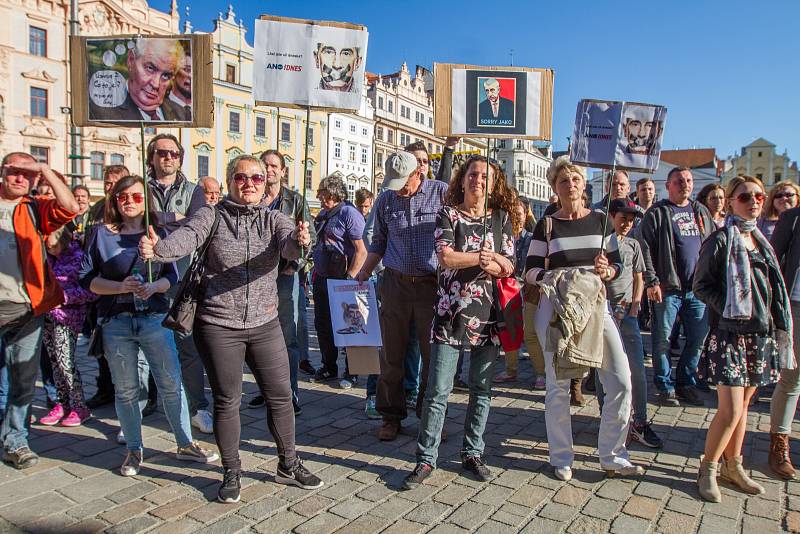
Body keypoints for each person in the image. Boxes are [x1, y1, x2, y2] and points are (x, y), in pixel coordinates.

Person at [140, 154, 321, 503]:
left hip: (265, 322)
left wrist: (301, 240)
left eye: (256, 178)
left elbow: (289, 246)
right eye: (242, 178)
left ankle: (288, 463)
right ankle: (232, 469)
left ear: (264, 182)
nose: (249, 183)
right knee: (228, 401)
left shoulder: (275, 218)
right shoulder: (212, 215)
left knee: (281, 396)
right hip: (219, 324)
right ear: (231, 182)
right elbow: (187, 237)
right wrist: (158, 249)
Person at [80, 175, 217, 476]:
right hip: (117, 321)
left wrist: (155, 287)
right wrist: (121, 287)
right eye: (123, 197)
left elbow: (172, 276)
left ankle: (185, 443)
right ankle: (133, 449)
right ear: (114, 201)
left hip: (154, 318)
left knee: (171, 383)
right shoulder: (100, 234)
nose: (129, 202)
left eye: (137, 196)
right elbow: (87, 280)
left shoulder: (156, 233)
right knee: (127, 389)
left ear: (146, 201)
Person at [526, 156, 643, 481]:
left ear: (583, 184)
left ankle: (613, 454)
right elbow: (531, 269)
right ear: (555, 187)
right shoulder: (547, 224)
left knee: (619, 378)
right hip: (556, 308)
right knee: (558, 385)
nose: (571, 184)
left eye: (576, 179)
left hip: (594, 305)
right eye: (564, 181)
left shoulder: (602, 221)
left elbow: (618, 264)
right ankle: (561, 456)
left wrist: (610, 269)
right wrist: (551, 278)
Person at [403, 156, 517, 489]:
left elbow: (510, 266)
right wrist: (483, 259)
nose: (478, 180)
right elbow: (445, 256)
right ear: (462, 179)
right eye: (473, 174)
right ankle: (426, 458)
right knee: (438, 391)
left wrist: (494, 261)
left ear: (493, 184)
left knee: (481, 390)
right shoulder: (448, 214)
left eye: (485, 176)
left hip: (488, 317)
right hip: (449, 315)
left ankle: (473, 452)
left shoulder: (501, 219)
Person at [693, 175, 791, 502]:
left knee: (745, 406)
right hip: (730, 335)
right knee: (731, 410)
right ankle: (707, 468)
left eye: (758, 197)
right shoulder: (720, 240)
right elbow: (701, 286)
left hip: (760, 336)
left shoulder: (761, 240)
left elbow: (773, 288)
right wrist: (734, 309)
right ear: (732, 201)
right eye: (745, 197)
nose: (753, 202)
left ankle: (733, 466)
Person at [355, 150, 449, 441]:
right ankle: (390, 416)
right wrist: (361, 274)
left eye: (402, 182)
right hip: (394, 284)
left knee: (432, 355)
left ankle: (429, 418)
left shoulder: (441, 193)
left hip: (429, 286)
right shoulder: (386, 199)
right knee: (390, 355)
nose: (398, 189)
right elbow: (378, 243)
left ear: (418, 172)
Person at [0, 152, 78, 469]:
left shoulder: (33, 209)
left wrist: (45, 170)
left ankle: (15, 441)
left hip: (25, 310)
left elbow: (70, 208)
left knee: (21, 380)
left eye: (27, 173)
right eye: (13, 171)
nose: (20, 178)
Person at [146, 134, 212, 435]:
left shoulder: (193, 190)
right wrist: (176, 219)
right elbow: (130, 220)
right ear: (152, 157)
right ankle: (144, 404)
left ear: (180, 158)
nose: (168, 158)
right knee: (145, 346)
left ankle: (197, 407)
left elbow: (197, 225)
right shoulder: (140, 188)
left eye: (173, 153)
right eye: (161, 153)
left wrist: (163, 221)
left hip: (182, 277)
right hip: (145, 273)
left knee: (188, 345)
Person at [638, 167, 714, 407]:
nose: (685, 184)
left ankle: (685, 381)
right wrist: (652, 280)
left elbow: (713, 245)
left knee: (698, 338)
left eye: (688, 180)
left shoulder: (700, 212)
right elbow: (645, 248)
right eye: (679, 181)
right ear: (668, 185)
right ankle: (665, 385)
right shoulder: (658, 213)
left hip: (698, 290)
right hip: (668, 287)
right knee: (663, 339)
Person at [248, 150, 317, 414]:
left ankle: (290, 394)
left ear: (283, 171)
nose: (269, 169)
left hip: (284, 277)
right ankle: (266, 391)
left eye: (274, 165)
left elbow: (310, 239)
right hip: (254, 277)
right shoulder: (252, 197)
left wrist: (297, 265)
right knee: (256, 338)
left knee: (287, 337)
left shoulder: (295, 201)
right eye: (265, 165)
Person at [597, 199, 662, 448]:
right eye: (622, 218)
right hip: (605, 312)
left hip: (628, 315)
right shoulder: (602, 243)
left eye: (631, 219)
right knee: (604, 370)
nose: (627, 223)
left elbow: (638, 277)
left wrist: (635, 304)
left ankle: (641, 420)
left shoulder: (634, 244)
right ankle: (608, 418)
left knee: (637, 369)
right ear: (612, 217)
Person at [311, 175, 367, 385]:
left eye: (322, 193)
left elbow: (362, 251)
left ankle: (353, 372)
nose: (319, 196)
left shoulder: (348, 213)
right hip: (323, 276)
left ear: (334, 193)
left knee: (350, 325)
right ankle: (328, 366)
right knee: (323, 323)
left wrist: (350, 278)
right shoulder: (324, 214)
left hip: (343, 277)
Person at [84, 164, 130, 410]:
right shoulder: (96, 209)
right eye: (107, 182)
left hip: (123, 284)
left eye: (115, 182)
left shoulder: (131, 210)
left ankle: (145, 395)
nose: (110, 186)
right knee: (99, 341)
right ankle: (105, 389)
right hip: (98, 286)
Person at [39, 227, 95, 427]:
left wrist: (64, 298)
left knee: (66, 362)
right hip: (46, 315)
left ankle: (80, 406)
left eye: (53, 246)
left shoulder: (79, 258)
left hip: (67, 317)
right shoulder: (47, 258)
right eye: (48, 247)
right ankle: (62, 404)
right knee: (54, 362)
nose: (51, 249)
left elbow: (91, 291)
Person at [768, 202, 800, 480]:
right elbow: (774, 263)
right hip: (797, 304)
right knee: (791, 378)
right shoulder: (792, 218)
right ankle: (779, 446)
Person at [89, 38, 187, 122]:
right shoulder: (100, 113)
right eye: (150, 68)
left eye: (166, 75)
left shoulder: (183, 114)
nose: (156, 84)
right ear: (131, 60)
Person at [494, 198, 533, 384]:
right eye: (513, 214)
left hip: (524, 287)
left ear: (526, 216)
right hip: (505, 288)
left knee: (529, 331)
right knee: (509, 330)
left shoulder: (531, 238)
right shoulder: (502, 236)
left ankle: (539, 371)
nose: (517, 218)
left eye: (520, 214)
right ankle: (511, 369)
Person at [163, 54, 192, 121]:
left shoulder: (201, 109)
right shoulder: (159, 107)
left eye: (196, 72)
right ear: (173, 73)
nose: (191, 76)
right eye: (187, 69)